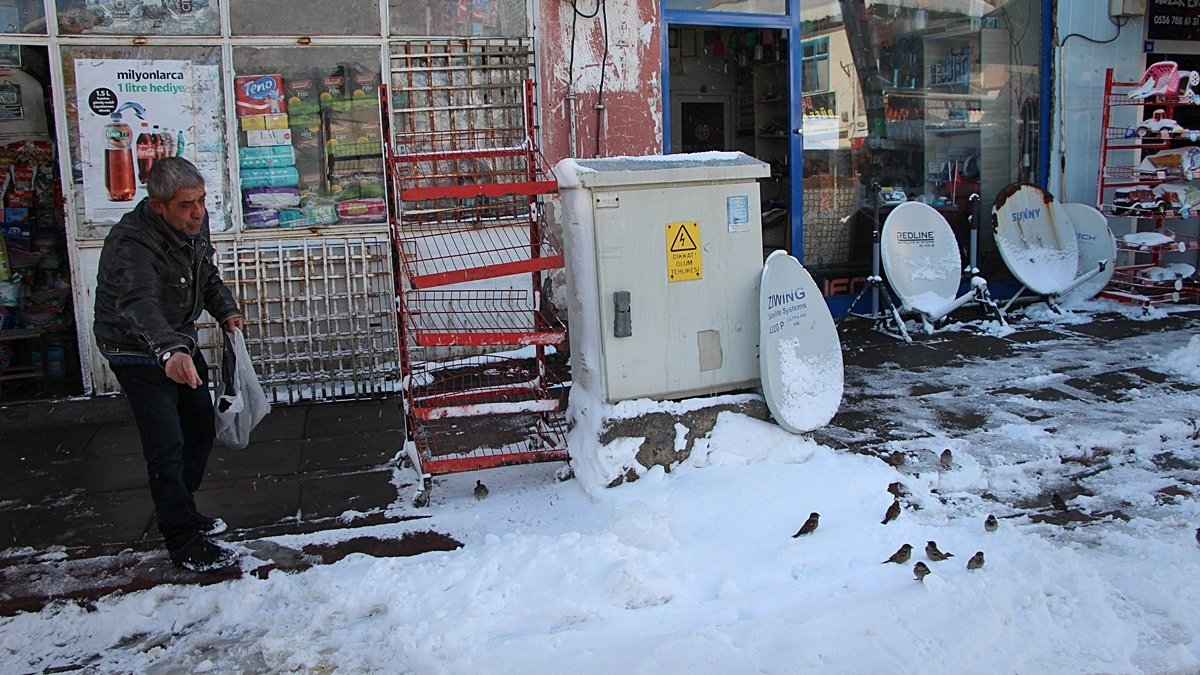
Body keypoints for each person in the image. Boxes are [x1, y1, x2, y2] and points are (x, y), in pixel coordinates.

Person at [93, 156, 244, 573]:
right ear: (158, 205)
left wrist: (224, 310)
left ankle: (185, 509)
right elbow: (138, 304)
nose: (197, 212)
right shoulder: (132, 242)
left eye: (201, 200)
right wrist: (168, 352)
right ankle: (181, 538)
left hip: (178, 340)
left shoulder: (195, 222)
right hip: (135, 348)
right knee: (165, 443)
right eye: (185, 204)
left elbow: (205, 273)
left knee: (197, 427)